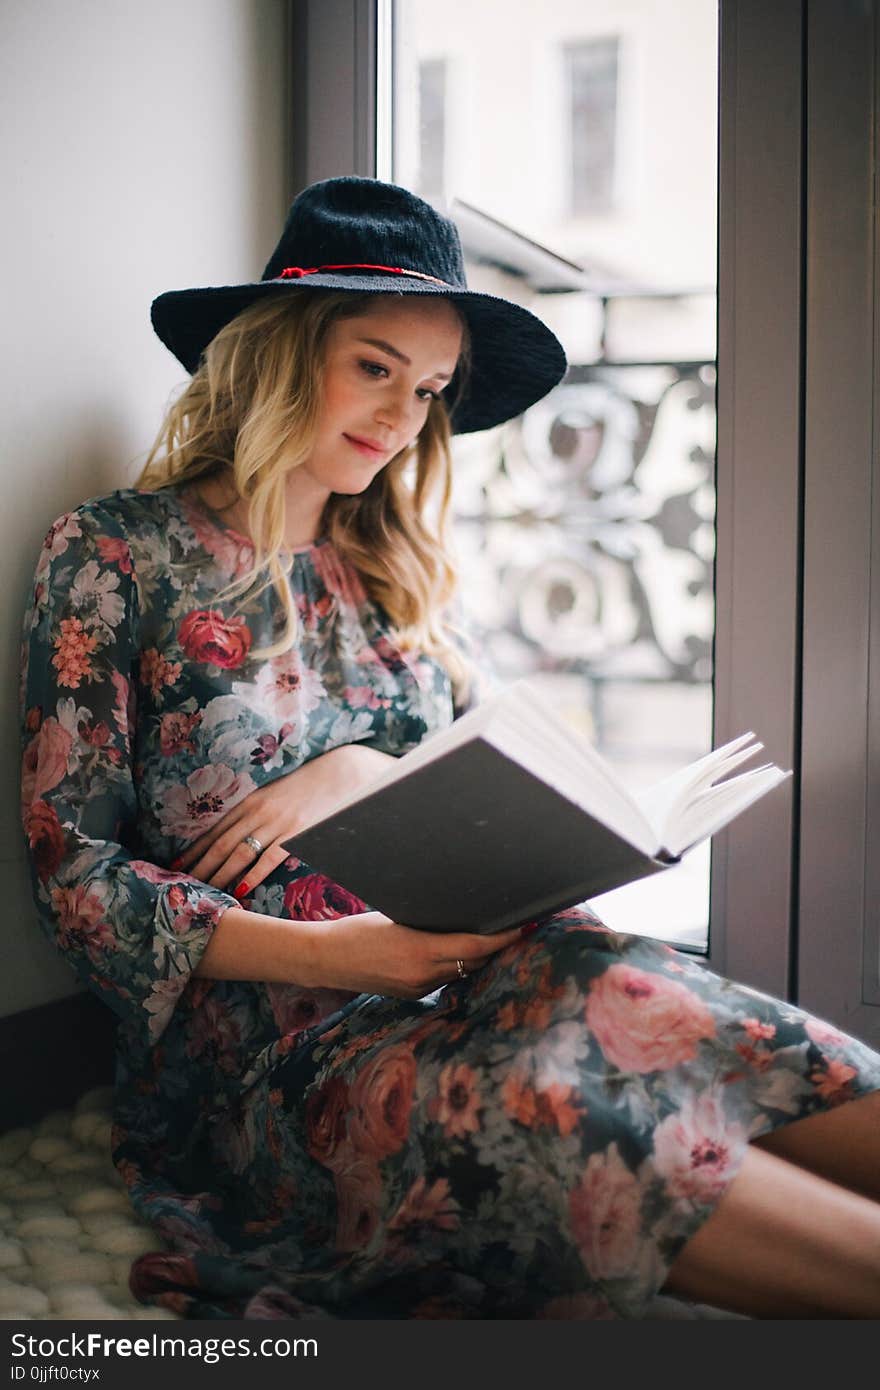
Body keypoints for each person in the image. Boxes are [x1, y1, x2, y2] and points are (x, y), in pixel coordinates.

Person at [19, 176, 880, 1322]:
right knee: (524, 1105)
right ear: (278, 354)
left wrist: (354, 772)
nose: (403, 415)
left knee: (647, 997)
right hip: (274, 1041)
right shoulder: (116, 553)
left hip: (479, 960)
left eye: (427, 388)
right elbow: (69, 873)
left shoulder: (392, 574)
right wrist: (350, 959)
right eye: (375, 367)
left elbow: (483, 776)